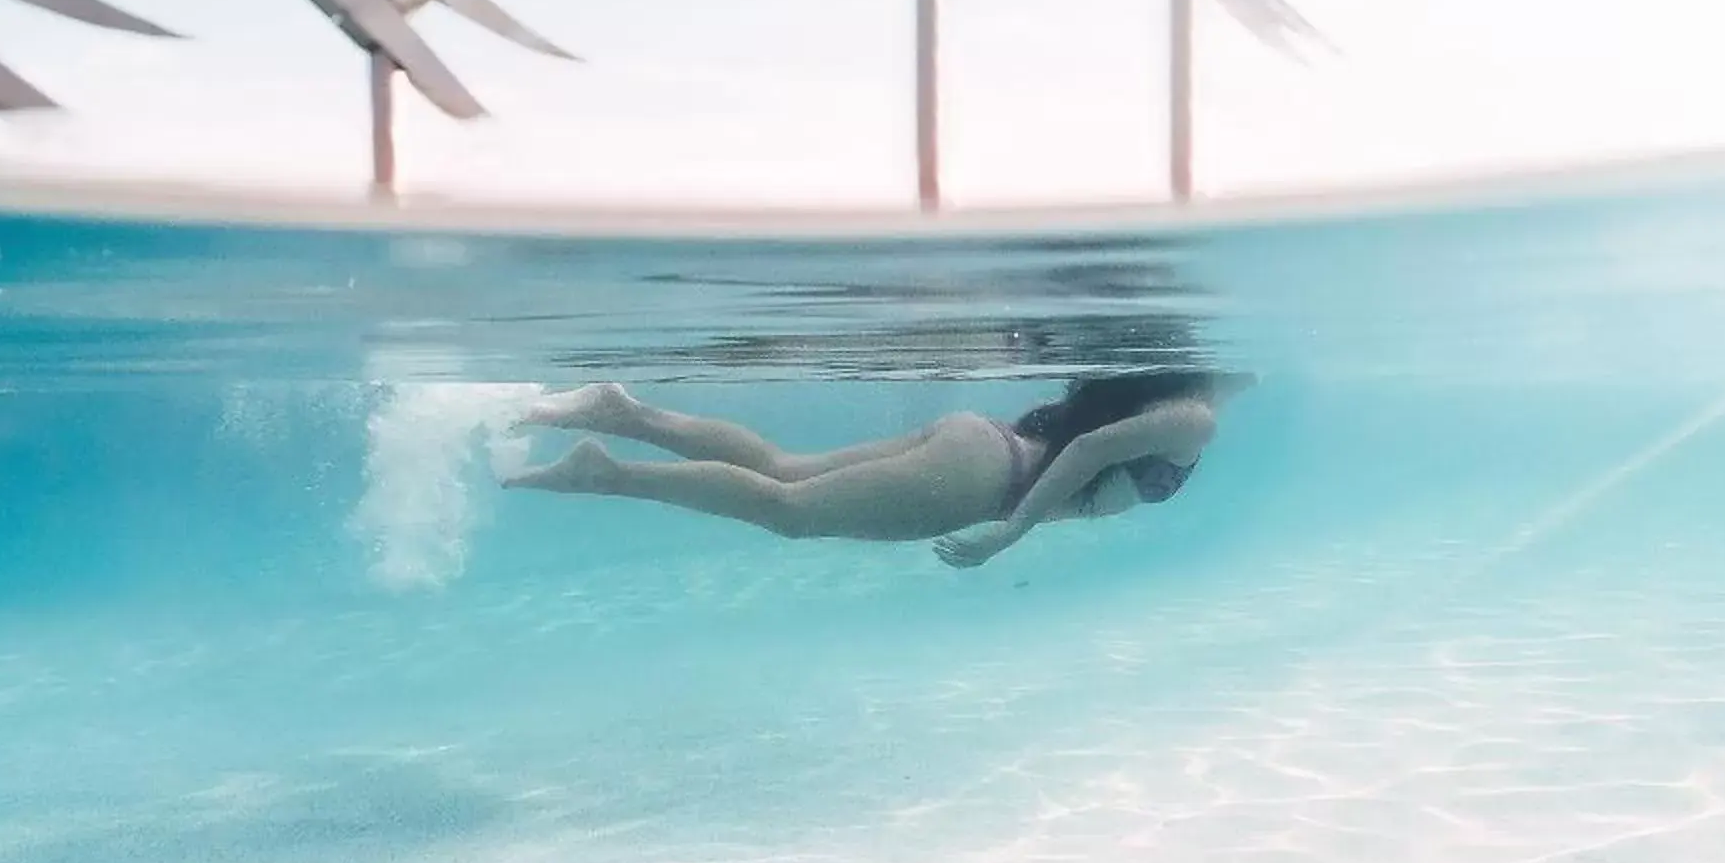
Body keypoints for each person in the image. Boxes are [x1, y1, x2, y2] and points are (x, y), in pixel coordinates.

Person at [504, 372, 1223, 566]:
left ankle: (622, 414)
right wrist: (1013, 534)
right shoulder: (1195, 414)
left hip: (980, 442)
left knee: (785, 469)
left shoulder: (1155, 390)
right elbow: (1089, 452)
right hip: (988, 483)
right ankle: (608, 472)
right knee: (788, 511)